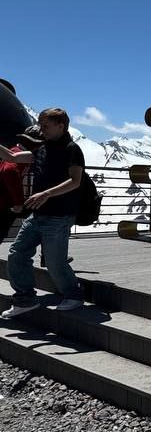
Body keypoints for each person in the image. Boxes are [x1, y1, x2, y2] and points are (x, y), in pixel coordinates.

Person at [0, 108, 85, 319]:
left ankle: (73, 295)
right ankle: (25, 299)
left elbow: (75, 181)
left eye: (45, 125)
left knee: (55, 263)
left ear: (60, 126)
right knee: (17, 254)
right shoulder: (42, 148)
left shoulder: (72, 149)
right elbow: (12, 157)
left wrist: (47, 193)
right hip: (37, 214)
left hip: (59, 215)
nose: (41, 129)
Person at [0, 145, 32, 244]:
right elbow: (9, 170)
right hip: (5, 202)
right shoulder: (21, 155)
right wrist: (18, 202)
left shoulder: (15, 151)